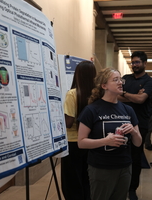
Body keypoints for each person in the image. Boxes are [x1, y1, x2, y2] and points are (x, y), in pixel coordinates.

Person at [77, 67, 142, 200]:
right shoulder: (91, 110)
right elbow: (81, 142)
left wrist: (134, 132)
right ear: (104, 85)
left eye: (121, 79)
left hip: (124, 166)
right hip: (101, 168)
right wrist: (105, 141)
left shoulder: (128, 110)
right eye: (115, 80)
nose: (120, 83)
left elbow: (138, 142)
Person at [118, 51, 152, 200]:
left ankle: (132, 189)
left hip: (140, 123)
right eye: (133, 62)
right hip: (122, 121)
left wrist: (125, 94)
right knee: (120, 154)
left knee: (135, 157)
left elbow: (140, 99)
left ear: (145, 63)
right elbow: (116, 96)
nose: (135, 65)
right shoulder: (126, 78)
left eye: (137, 62)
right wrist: (132, 95)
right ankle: (121, 186)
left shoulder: (149, 81)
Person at [61, 60, 96, 200]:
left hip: (73, 143)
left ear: (77, 75)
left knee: (72, 182)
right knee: (87, 180)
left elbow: (68, 122)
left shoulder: (72, 94)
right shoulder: (98, 95)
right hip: (91, 142)